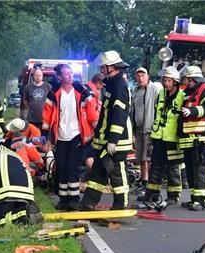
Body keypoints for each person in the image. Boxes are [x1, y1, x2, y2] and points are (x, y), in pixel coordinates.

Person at [80, 50, 133, 210]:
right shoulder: (111, 83)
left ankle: (120, 204)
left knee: (116, 172)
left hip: (117, 140)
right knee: (98, 171)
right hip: (106, 139)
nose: (101, 70)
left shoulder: (119, 86)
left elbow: (119, 115)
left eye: (103, 67)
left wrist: (113, 140)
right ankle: (88, 203)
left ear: (112, 66)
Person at [42, 64, 99, 210]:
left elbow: (91, 112)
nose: (70, 75)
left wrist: (96, 130)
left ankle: (73, 199)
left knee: (73, 168)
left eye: (71, 73)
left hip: (77, 135)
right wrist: (45, 136)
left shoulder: (81, 91)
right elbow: (47, 116)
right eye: (67, 73)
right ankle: (63, 199)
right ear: (59, 77)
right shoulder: (53, 93)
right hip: (60, 136)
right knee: (62, 167)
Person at [142, 67, 184, 205]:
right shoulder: (161, 93)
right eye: (164, 80)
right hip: (158, 137)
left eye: (169, 81)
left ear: (175, 82)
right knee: (156, 167)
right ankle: (152, 195)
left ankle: (173, 196)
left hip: (173, 139)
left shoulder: (182, 96)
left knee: (173, 169)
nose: (166, 83)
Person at [178, 66, 205, 211]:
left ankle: (201, 201)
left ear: (191, 79)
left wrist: (192, 111)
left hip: (203, 140)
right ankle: (194, 199)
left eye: (185, 80)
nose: (184, 82)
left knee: (201, 170)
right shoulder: (188, 93)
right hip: (190, 140)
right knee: (191, 171)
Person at [132, 67, 163, 187]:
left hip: (149, 129)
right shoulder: (135, 90)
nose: (140, 78)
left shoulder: (155, 89)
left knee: (147, 158)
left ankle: (148, 183)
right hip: (138, 129)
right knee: (140, 157)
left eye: (142, 75)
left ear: (148, 76)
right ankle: (143, 181)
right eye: (138, 76)